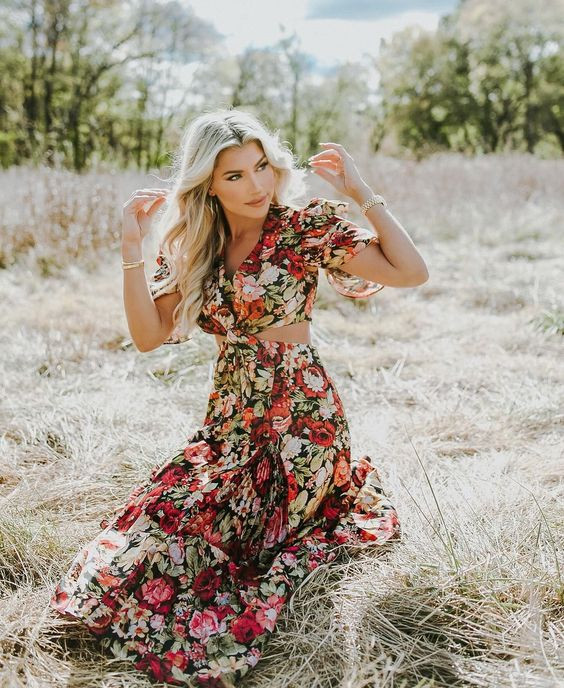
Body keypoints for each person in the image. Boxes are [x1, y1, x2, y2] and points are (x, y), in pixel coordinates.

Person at [49, 108, 428, 687]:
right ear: (206, 183)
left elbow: (412, 272)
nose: (255, 186)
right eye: (234, 176)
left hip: (302, 419)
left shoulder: (304, 229)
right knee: (161, 527)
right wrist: (132, 245)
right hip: (230, 418)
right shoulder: (201, 245)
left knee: (238, 543)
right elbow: (149, 337)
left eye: (262, 168)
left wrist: (361, 192)